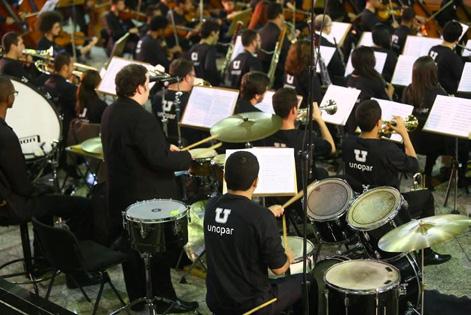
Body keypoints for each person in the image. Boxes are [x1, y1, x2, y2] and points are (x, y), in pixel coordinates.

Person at [100, 64, 198, 312]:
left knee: (132, 251)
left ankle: (138, 299)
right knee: (157, 252)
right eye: (147, 82)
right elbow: (159, 161)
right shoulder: (140, 117)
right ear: (140, 87)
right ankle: (165, 301)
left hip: (121, 192)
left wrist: (165, 150)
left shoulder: (111, 110)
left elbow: (140, 150)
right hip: (146, 197)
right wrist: (186, 158)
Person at [0, 76, 95, 284]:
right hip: (11, 207)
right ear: (9, 99)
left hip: (6, 200)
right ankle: (76, 272)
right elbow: (23, 187)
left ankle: (43, 260)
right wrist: (40, 188)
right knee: (81, 206)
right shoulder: (5, 136)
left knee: (46, 200)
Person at [204, 151, 319, 314]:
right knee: (308, 282)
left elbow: (237, 219)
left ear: (224, 177)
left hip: (217, 300)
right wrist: (287, 257)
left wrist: (266, 214)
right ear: (255, 182)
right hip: (251, 305)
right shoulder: (259, 217)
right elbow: (278, 269)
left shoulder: (211, 205)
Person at [342, 99, 451, 265]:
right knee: (427, 196)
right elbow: (415, 165)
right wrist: (404, 134)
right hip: (384, 208)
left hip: (359, 205)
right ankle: (425, 253)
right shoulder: (387, 149)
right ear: (379, 122)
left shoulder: (347, 142)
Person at [402, 56, 468, 188]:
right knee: (464, 143)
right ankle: (459, 176)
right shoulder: (439, 93)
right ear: (433, 73)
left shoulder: (408, 90)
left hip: (412, 140)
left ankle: (426, 172)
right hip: (435, 144)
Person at [266, 88, 336, 184]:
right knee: (322, 172)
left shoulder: (266, 134)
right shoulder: (306, 137)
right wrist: (319, 119)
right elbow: (332, 148)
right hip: (302, 187)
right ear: (294, 110)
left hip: (278, 182)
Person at [152, 58, 207, 145]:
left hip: (163, 144)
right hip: (190, 147)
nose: (194, 79)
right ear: (188, 77)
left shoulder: (157, 96)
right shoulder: (192, 100)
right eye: (193, 75)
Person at [346, 46, 393, 133]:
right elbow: (386, 105)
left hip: (349, 124)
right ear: (372, 61)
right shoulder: (374, 81)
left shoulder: (348, 78)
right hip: (367, 126)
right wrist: (390, 93)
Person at [258, 2, 290, 88]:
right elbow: (286, 56)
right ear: (280, 15)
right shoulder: (280, 35)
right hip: (275, 80)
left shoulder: (260, 31)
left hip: (259, 75)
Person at [428, 20, 464, 95]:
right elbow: (462, 78)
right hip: (445, 94)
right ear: (457, 39)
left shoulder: (432, 49)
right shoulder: (452, 57)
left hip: (431, 90)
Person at [283, 40, 323, 106]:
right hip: (300, 111)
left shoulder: (287, 70)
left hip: (286, 108)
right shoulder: (308, 75)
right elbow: (317, 101)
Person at [312, 14, 346, 86]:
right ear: (327, 27)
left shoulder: (308, 38)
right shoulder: (330, 46)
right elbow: (339, 70)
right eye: (331, 25)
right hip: (326, 82)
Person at [187, 20, 221, 86]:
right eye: (217, 34)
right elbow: (210, 68)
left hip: (193, 85)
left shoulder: (193, 48)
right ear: (213, 33)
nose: (218, 37)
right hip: (206, 86)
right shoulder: (210, 49)